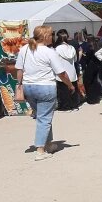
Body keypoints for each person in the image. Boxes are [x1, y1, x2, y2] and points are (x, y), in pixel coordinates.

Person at [15, 26, 75, 161]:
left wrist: (19, 85)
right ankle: (40, 150)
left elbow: (19, 70)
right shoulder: (49, 52)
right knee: (44, 118)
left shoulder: (24, 49)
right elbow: (61, 73)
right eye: (51, 34)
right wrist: (70, 85)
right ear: (45, 36)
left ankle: (48, 143)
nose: (53, 37)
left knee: (42, 116)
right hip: (45, 87)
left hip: (28, 87)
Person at [54, 29, 79, 111]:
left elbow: (55, 61)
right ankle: (74, 105)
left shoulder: (57, 49)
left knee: (63, 90)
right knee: (73, 89)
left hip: (62, 71)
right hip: (72, 71)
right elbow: (75, 59)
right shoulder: (72, 48)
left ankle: (65, 106)